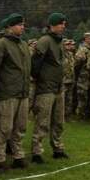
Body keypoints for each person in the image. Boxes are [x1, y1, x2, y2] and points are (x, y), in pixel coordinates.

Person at [0, 13, 31, 172]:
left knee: (20, 127)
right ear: (9, 27)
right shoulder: (0, 44)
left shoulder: (23, 45)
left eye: (22, 24)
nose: (22, 27)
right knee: (4, 128)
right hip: (6, 93)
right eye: (19, 25)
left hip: (22, 92)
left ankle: (18, 156)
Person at [30, 13, 69, 163]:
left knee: (59, 121)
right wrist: (40, 79)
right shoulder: (45, 41)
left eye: (64, 23)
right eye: (60, 23)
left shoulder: (60, 41)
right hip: (46, 88)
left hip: (59, 87)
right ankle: (36, 151)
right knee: (43, 121)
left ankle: (58, 148)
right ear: (52, 25)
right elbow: (36, 63)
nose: (63, 26)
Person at [74, 32, 90, 120]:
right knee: (82, 95)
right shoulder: (82, 49)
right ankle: (80, 115)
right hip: (83, 76)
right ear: (86, 39)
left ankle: (87, 114)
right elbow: (77, 63)